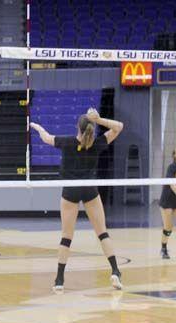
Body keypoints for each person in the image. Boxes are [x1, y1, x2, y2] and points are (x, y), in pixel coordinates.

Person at [30, 108, 124, 292]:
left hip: (70, 191)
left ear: (77, 127)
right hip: (89, 189)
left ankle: (59, 280)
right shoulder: (97, 143)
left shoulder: (67, 142)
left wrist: (37, 128)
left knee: (66, 236)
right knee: (102, 233)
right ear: (92, 128)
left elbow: (46, 138)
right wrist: (99, 119)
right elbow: (119, 127)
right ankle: (115, 271)